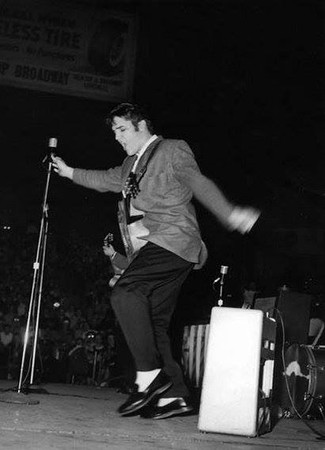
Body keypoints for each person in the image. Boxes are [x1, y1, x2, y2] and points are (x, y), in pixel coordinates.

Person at [51, 102, 260, 419]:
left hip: (174, 239)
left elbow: (197, 182)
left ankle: (149, 376)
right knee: (155, 323)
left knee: (125, 292)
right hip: (160, 246)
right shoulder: (130, 165)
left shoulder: (172, 149)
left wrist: (229, 213)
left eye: (122, 130)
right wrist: (69, 172)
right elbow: (106, 179)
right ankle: (176, 396)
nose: (118, 138)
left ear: (142, 125)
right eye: (114, 133)